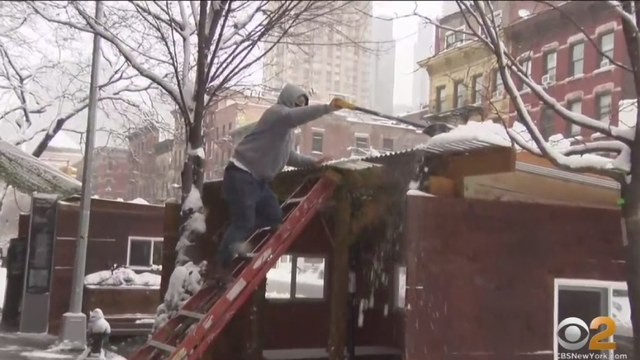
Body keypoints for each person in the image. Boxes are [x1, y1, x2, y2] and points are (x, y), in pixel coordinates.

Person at [214, 83, 343, 279]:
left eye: (303, 104)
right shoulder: (276, 114)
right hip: (241, 173)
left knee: (274, 217)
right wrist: (327, 108)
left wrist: (313, 162)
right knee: (245, 222)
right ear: (288, 99)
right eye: (298, 103)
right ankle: (221, 266)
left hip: (258, 181)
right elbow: (293, 117)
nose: (299, 108)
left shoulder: (285, 131)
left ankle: (230, 237)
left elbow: (288, 156)